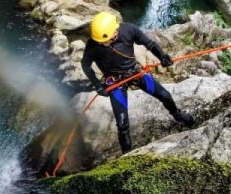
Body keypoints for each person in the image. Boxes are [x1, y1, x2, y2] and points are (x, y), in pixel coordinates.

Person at [81, 11, 195, 154]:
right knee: (122, 125)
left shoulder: (129, 30)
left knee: (165, 95)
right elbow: (85, 65)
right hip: (115, 82)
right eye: (100, 41)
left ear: (115, 31)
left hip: (135, 72)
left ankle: (177, 115)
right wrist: (97, 84)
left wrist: (162, 56)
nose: (102, 44)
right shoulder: (93, 44)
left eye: (105, 40)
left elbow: (150, 43)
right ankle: (127, 155)